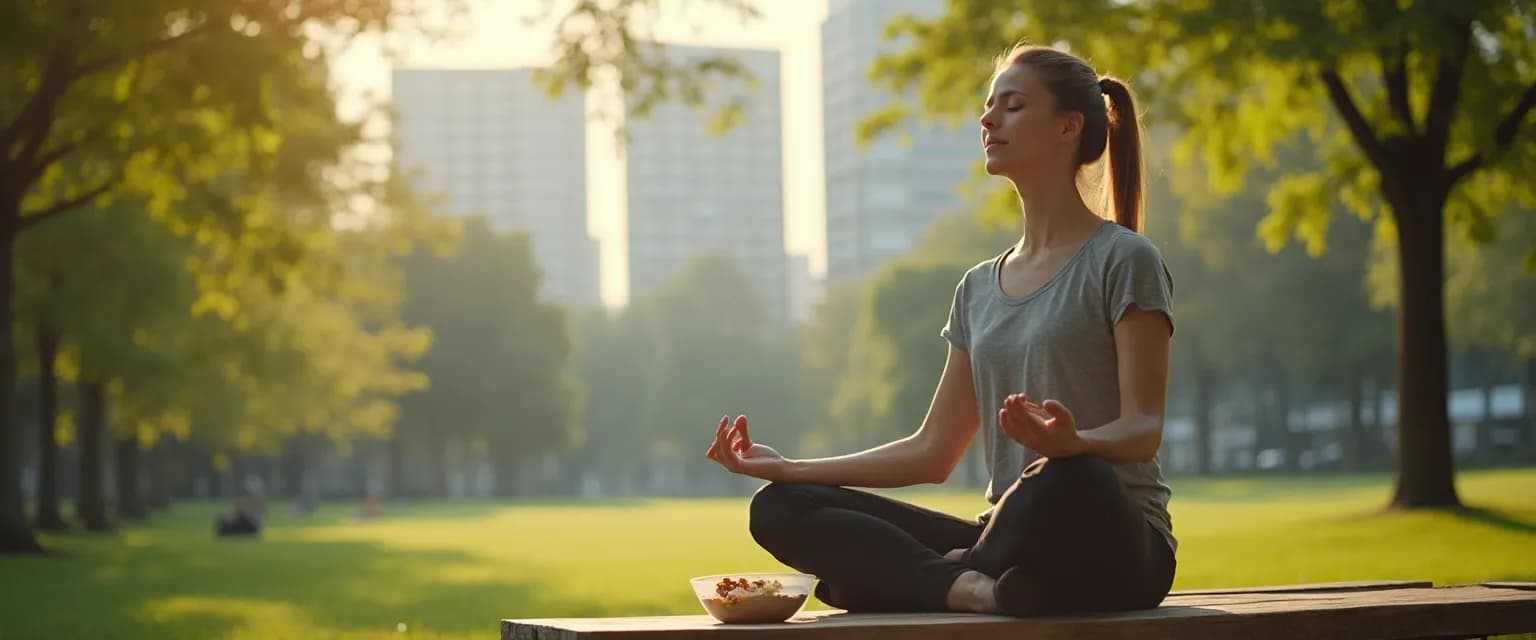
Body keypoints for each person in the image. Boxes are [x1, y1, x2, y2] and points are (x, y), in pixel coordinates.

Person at [705, 42, 1177, 617]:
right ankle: (969, 586)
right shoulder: (978, 288)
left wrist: (1075, 443)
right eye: (989, 106)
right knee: (779, 506)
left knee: (1073, 476)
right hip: (1014, 550)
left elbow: (1143, 428)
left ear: (1068, 126)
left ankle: (922, 578)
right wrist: (790, 468)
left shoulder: (1124, 259)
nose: (988, 119)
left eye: (1013, 106)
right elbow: (932, 452)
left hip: (1114, 542)